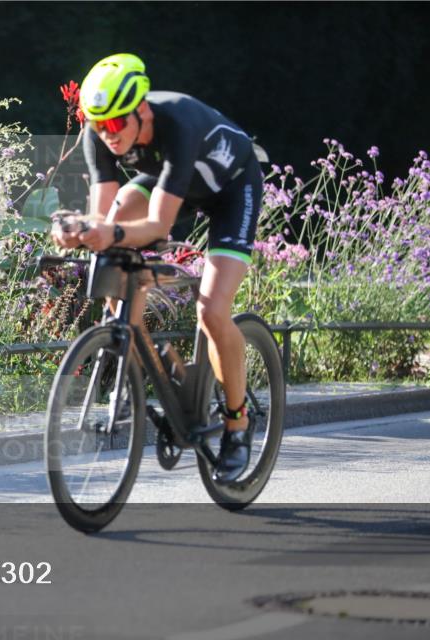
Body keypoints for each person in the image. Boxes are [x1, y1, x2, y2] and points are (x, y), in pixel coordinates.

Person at [51, 54, 263, 483]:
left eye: (115, 124)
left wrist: (106, 233)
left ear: (141, 110)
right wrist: (76, 229)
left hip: (231, 189)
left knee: (212, 312)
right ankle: (147, 361)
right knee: (114, 243)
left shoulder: (178, 125)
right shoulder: (100, 135)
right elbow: (103, 222)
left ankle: (237, 425)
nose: (107, 135)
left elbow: (159, 225)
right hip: (173, 182)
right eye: (97, 124)